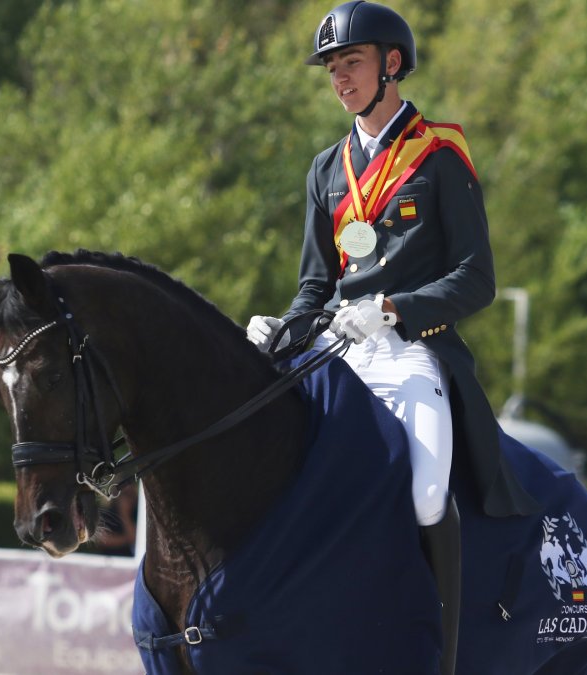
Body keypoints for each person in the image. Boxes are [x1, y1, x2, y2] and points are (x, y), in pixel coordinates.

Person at [245, 3, 538, 672]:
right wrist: (276, 329)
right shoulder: (326, 170)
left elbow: (477, 279)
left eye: (351, 63)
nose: (339, 78)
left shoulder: (439, 155)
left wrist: (396, 309)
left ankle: (443, 653)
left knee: (429, 489)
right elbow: (315, 288)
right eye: (331, 68)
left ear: (392, 65)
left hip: (411, 351)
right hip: (334, 350)